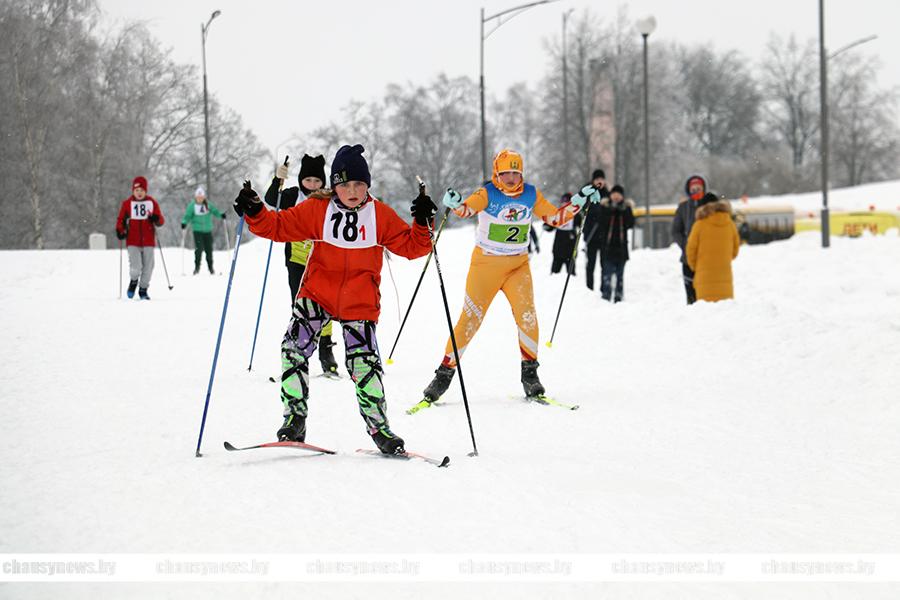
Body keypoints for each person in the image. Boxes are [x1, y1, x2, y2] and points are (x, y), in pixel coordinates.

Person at [233, 144, 435, 455]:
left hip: (360, 302)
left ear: (367, 185)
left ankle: (379, 429)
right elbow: (278, 226)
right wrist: (255, 209)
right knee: (293, 348)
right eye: (344, 185)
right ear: (334, 186)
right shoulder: (318, 210)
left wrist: (422, 223)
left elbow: (413, 248)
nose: (352, 191)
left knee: (364, 366)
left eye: (359, 184)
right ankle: (294, 421)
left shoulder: (378, 214)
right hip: (317, 294)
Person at [419, 149, 597, 405]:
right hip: (486, 265)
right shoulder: (487, 193)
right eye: (506, 173)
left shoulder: (530, 194)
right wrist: (456, 203)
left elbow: (555, 218)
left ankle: (530, 376)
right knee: (469, 321)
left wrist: (580, 199)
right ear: (497, 174)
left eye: (516, 173)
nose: (512, 178)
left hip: (517, 266)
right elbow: (467, 210)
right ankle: (443, 376)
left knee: (528, 317)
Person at [263, 154, 338, 376]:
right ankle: (298, 348)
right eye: (308, 181)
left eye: (317, 181)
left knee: (325, 304)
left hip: (323, 258)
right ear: (301, 180)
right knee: (299, 304)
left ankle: (326, 349)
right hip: (296, 258)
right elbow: (270, 200)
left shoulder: (329, 198)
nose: (313, 186)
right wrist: (278, 179)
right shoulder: (293, 194)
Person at [115, 176, 165, 300]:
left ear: (146, 191)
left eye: (142, 190)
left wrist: (156, 218)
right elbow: (121, 219)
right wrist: (120, 230)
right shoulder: (127, 204)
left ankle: (143, 289)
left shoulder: (151, 203)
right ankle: (133, 281)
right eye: (137, 190)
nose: (139, 193)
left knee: (149, 266)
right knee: (136, 268)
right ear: (133, 191)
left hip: (148, 240)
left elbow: (161, 220)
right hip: (133, 240)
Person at [686, 192, 740, 302]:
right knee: (725, 314)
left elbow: (690, 250)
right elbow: (735, 250)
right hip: (725, 279)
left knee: (706, 315)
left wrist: (696, 267)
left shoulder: (699, 225)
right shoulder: (730, 224)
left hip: (704, 281)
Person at [672, 173, 707, 304]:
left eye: (699, 188)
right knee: (691, 295)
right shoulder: (683, 208)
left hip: (706, 256)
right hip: (688, 258)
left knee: (705, 293)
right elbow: (676, 231)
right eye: (693, 189)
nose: (696, 191)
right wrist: (686, 246)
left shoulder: (709, 206)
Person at [596, 184, 635, 302]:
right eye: (614, 194)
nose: (616, 197)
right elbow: (601, 222)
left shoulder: (626, 208)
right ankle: (606, 293)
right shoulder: (605, 207)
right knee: (606, 272)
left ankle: (619, 294)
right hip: (608, 247)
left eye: (618, 195)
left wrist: (625, 211)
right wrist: (610, 211)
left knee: (620, 274)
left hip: (621, 247)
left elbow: (630, 224)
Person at [181, 186, 225, 275]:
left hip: (208, 230)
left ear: (204, 197)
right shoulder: (192, 205)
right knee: (199, 249)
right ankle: (197, 268)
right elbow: (187, 215)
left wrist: (221, 215)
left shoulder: (208, 204)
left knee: (209, 249)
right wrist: (184, 222)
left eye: (201, 197)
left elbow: (215, 211)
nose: (200, 199)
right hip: (197, 230)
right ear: (195, 197)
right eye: (198, 197)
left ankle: (211, 268)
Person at [580, 169, 610, 290]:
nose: (599, 181)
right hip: (591, 234)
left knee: (604, 264)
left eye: (601, 179)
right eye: (597, 179)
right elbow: (583, 208)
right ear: (593, 181)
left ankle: (604, 289)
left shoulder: (608, 194)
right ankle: (589, 288)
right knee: (590, 264)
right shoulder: (587, 192)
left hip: (604, 235)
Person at [547, 192, 580, 276]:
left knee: (571, 275)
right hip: (558, 248)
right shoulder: (557, 213)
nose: (565, 204)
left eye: (567, 202)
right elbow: (550, 226)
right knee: (554, 273)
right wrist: (547, 226)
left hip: (571, 247)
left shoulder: (575, 214)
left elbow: (581, 224)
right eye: (563, 202)